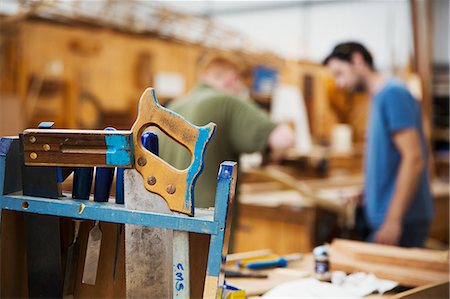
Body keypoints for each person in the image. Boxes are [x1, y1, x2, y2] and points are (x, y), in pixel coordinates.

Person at [159, 53, 295, 250]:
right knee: (210, 280)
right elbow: (285, 139)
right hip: (208, 232)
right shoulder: (227, 102)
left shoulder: (172, 108)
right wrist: (271, 157)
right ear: (232, 79)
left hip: (167, 228)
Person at [323, 42, 433, 247]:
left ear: (358, 60)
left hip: (400, 221)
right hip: (388, 218)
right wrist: (369, 192)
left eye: (340, 73)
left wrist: (393, 220)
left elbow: (414, 158)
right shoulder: (379, 98)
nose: (339, 83)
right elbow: (391, 160)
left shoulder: (393, 94)